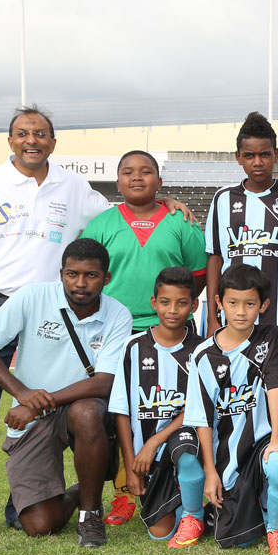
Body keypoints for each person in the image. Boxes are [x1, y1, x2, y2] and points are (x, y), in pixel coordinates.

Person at [0, 105, 116, 540]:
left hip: (51, 314)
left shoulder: (72, 186)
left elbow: (115, 217)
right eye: (22, 133)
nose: (31, 140)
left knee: (45, 409)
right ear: (10, 139)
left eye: (40, 133)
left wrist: (163, 202)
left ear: (53, 142)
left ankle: (23, 506)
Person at [0, 238, 133, 547]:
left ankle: (90, 515)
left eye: (91, 275)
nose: (80, 283)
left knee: (88, 411)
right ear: (61, 274)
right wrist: (21, 393)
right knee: (40, 525)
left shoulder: (118, 314)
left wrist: (40, 401)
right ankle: (82, 489)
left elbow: (104, 382)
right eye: (72, 274)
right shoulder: (32, 297)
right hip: (34, 416)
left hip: (77, 408)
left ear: (106, 278)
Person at [80, 149, 209, 526]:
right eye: (128, 172)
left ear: (160, 181)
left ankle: (189, 487)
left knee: (180, 407)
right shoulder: (102, 223)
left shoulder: (179, 221)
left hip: (173, 328)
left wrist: (172, 309)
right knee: (118, 414)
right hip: (116, 331)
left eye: (146, 171)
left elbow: (196, 276)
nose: (137, 177)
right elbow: (88, 274)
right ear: (117, 181)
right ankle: (123, 493)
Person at [167, 263, 278, 555]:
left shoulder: (271, 337)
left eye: (250, 304)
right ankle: (194, 516)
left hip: (262, 438)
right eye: (233, 303)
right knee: (185, 453)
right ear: (219, 303)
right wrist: (211, 472)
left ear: (263, 305)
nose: (241, 312)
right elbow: (200, 416)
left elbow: (277, 386)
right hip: (219, 443)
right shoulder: (202, 354)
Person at [204, 112, 278, 407]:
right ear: (238, 157)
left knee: (276, 401)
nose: (258, 162)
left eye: (265, 154)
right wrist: (211, 315)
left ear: (276, 155)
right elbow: (215, 258)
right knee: (232, 399)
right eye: (250, 155)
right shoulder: (223, 200)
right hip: (232, 320)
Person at [108, 267, 205, 541]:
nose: (172, 310)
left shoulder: (202, 350)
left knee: (185, 446)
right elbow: (122, 412)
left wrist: (155, 441)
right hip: (146, 462)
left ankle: (195, 508)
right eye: (165, 302)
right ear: (154, 303)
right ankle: (188, 504)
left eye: (182, 303)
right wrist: (130, 466)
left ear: (194, 305)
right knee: (160, 533)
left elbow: (198, 409)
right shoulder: (133, 347)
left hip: (186, 448)